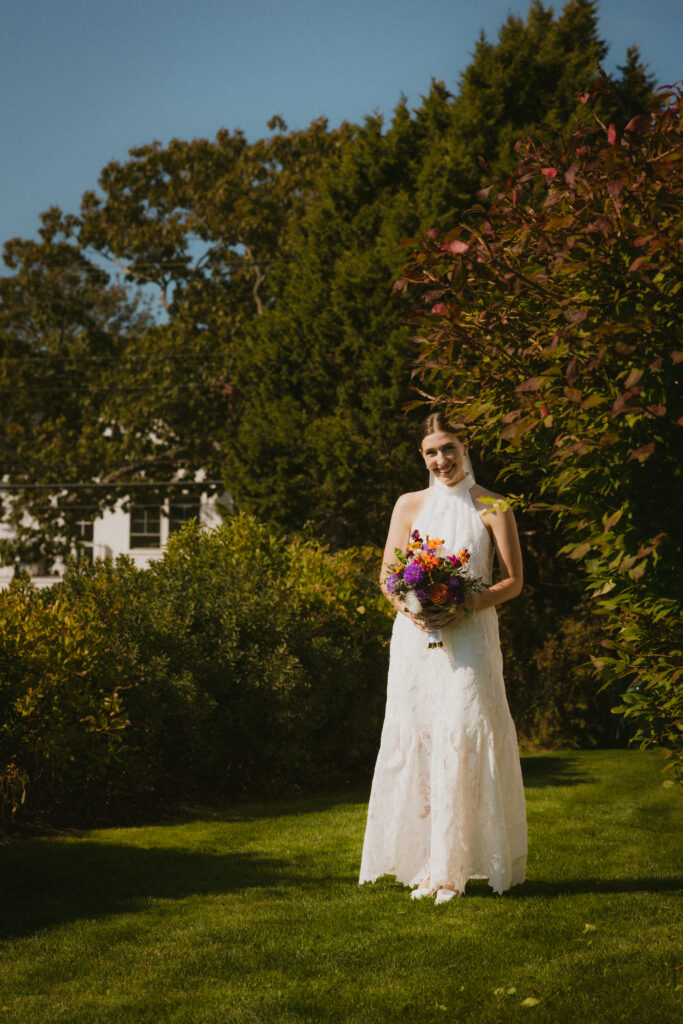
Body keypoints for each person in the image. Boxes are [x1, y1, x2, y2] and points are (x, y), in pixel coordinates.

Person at [359, 410, 527, 904]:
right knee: (423, 738)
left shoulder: (494, 504)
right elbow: (389, 576)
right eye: (431, 452)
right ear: (422, 456)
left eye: (448, 449)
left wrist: (465, 603)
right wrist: (412, 608)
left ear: (466, 447)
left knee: (463, 733)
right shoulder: (408, 504)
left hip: (471, 637)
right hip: (416, 641)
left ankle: (454, 870)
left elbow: (514, 581)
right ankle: (428, 865)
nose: (440, 460)